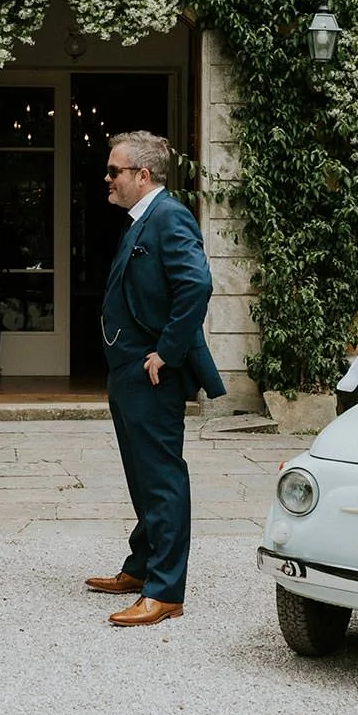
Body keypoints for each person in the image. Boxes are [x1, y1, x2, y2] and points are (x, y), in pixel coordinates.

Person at [86, 131, 226, 627]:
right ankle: (142, 565)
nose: (107, 178)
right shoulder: (140, 220)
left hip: (151, 374)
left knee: (162, 478)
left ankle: (165, 590)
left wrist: (166, 352)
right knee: (141, 474)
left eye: (114, 171)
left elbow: (197, 284)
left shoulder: (169, 217)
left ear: (142, 176)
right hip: (126, 370)